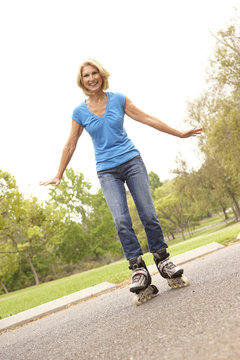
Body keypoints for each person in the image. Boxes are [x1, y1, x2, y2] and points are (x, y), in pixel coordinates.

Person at [40, 59, 202, 300]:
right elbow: (71, 143)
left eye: (95, 73)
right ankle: (138, 270)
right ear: (81, 80)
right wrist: (58, 174)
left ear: (101, 75)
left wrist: (179, 133)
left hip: (132, 162)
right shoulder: (79, 111)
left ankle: (163, 261)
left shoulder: (119, 99)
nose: (92, 78)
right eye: (86, 75)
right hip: (107, 171)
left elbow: (148, 118)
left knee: (148, 214)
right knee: (121, 221)